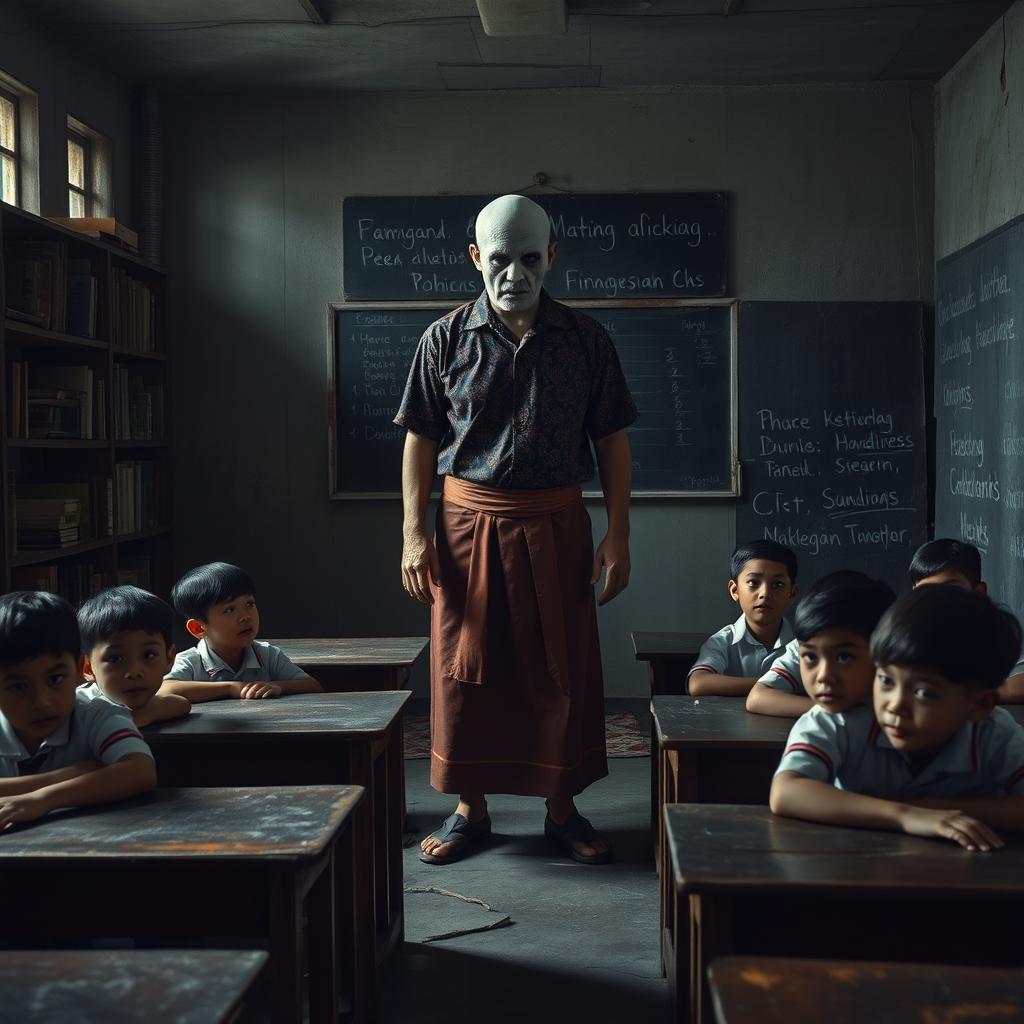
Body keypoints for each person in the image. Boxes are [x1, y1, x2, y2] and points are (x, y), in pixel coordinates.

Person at [395, 194, 636, 865]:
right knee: (465, 671)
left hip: (557, 528)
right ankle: (470, 808)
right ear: (476, 257)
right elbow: (419, 439)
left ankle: (562, 807)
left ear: (552, 256)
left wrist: (618, 533)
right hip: (467, 529)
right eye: (499, 258)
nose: (514, 273)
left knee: (561, 670)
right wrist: (414, 535)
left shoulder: (587, 340)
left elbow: (611, 439)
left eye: (530, 258)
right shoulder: (443, 338)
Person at [770, 585, 1024, 851]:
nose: (895, 706)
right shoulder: (840, 720)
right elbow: (786, 792)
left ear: (980, 704)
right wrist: (904, 814)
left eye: (923, 692)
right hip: (855, 870)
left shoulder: (994, 732)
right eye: (885, 680)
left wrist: (929, 808)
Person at [0, 591, 156, 831]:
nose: (41, 701)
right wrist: (65, 776)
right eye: (18, 686)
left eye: (56, 678)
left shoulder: (97, 715)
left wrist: (42, 799)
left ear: (77, 669)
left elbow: (141, 771)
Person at [161, 562, 322, 702]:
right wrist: (231, 688)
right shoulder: (190, 662)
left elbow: (313, 686)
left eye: (249, 604)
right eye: (230, 609)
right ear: (199, 628)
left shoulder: (267, 655)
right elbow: (164, 691)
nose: (245, 616)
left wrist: (277, 686)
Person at [746, 571, 894, 718]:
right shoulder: (804, 644)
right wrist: (831, 711)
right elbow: (757, 698)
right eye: (810, 657)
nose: (824, 676)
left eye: (844, 657)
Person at [909, 538, 1024, 703]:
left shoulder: (1000, 632)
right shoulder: (909, 635)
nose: (939, 601)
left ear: (978, 592)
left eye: (951, 590)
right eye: (927, 592)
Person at [687, 540, 798, 697]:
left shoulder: (802, 643)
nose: (765, 593)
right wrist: (772, 685)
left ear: (792, 593)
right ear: (734, 590)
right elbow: (698, 684)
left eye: (777, 584)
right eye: (753, 582)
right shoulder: (723, 641)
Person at [78, 585, 191, 727]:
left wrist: (143, 714)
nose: (134, 672)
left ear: (169, 659)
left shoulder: (143, 704)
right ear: (88, 668)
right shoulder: (79, 709)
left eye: (149, 655)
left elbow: (181, 704)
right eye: (115, 659)